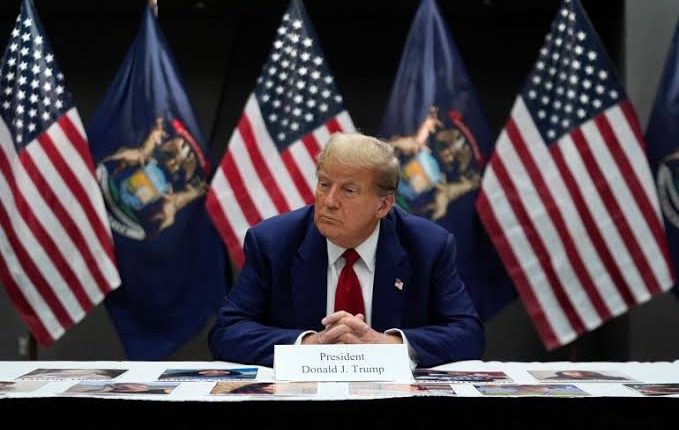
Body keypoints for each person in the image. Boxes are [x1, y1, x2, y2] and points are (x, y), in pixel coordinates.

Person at [208, 132, 484, 368]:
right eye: (324, 184)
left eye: (348, 191)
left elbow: (468, 334)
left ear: (383, 205)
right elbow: (227, 332)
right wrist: (308, 345)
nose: (329, 201)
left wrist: (387, 344)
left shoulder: (428, 246)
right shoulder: (273, 242)